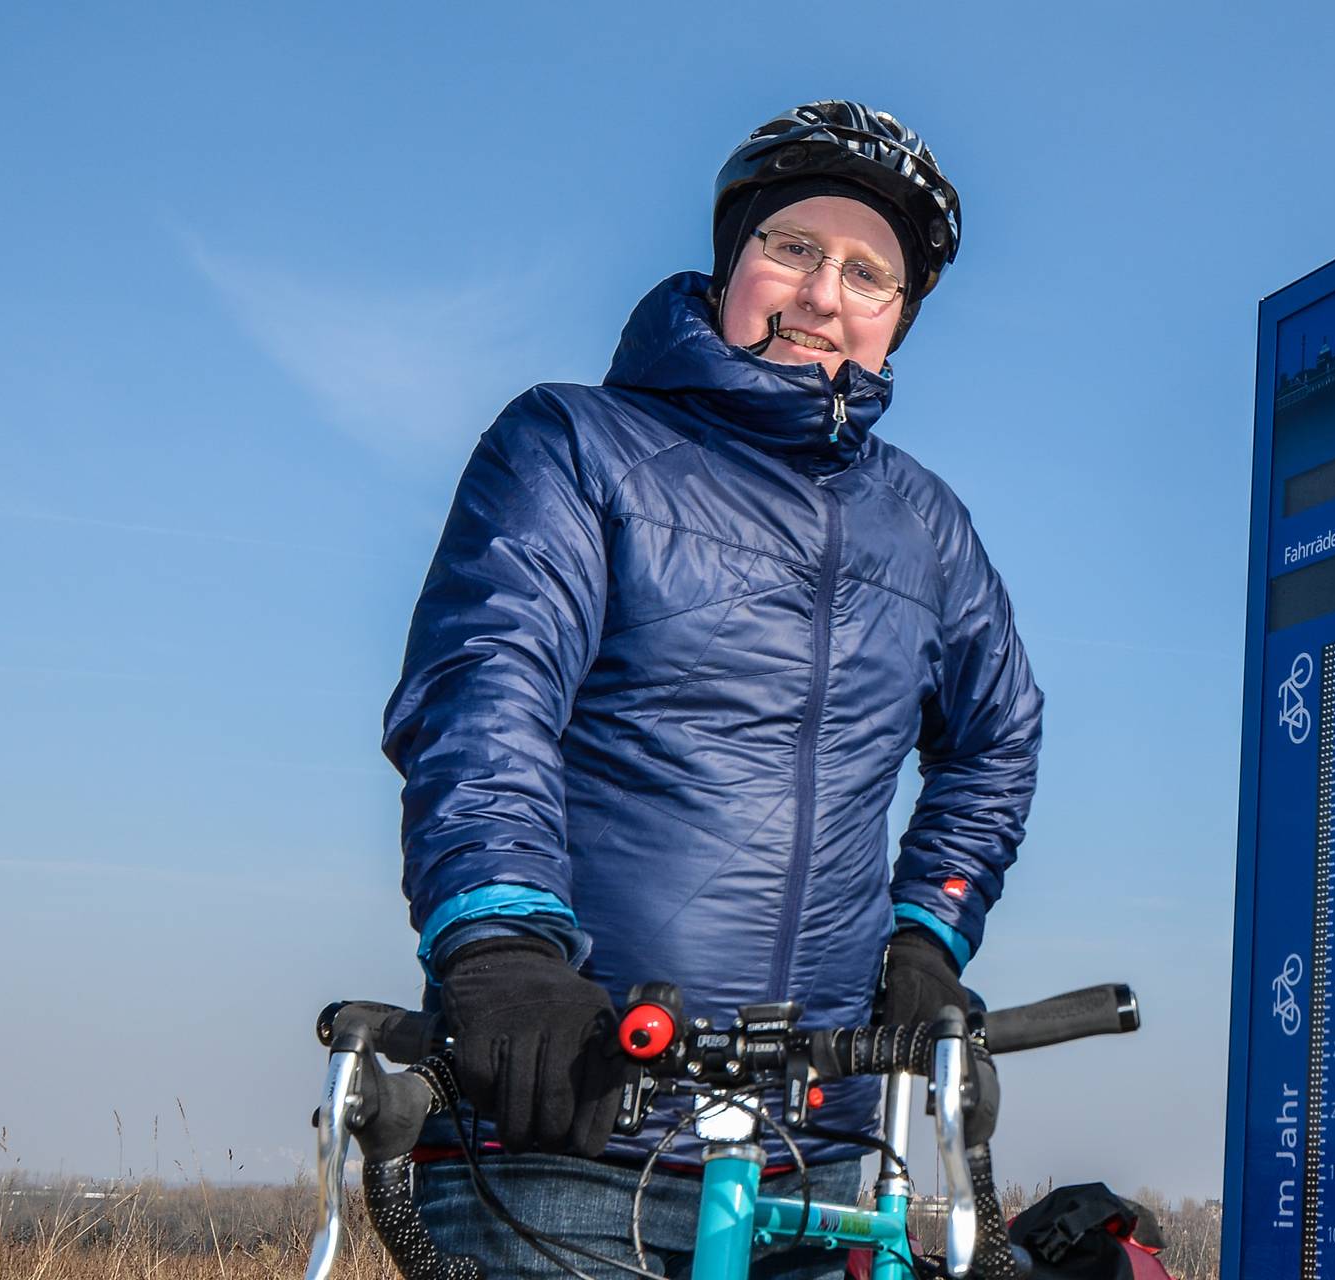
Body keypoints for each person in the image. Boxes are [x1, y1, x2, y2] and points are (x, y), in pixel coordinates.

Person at [379, 100, 1041, 1278]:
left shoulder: (927, 524)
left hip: (823, 1161)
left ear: (899, 320)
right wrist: (503, 947)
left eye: (867, 273)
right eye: (791, 247)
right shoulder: (575, 444)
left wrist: (927, 931)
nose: (822, 294)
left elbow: (998, 735)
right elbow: (488, 687)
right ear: (731, 259)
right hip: (568, 1136)